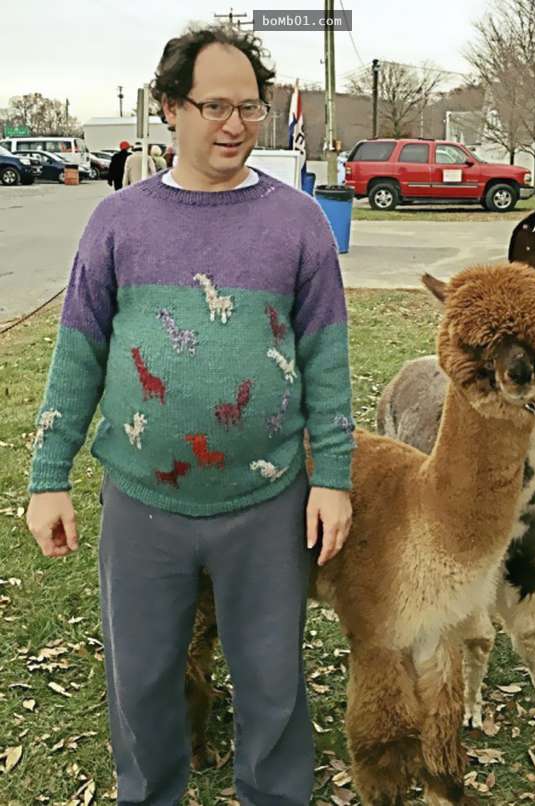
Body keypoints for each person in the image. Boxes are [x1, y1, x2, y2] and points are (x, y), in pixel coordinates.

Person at [25, 22, 355, 806]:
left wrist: (333, 477)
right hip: (143, 505)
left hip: (266, 502)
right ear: (171, 107)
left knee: (272, 686)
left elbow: (326, 359)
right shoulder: (118, 222)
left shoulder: (298, 222)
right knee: (142, 684)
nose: (235, 125)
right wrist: (48, 476)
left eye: (249, 107)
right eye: (214, 106)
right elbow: (78, 354)